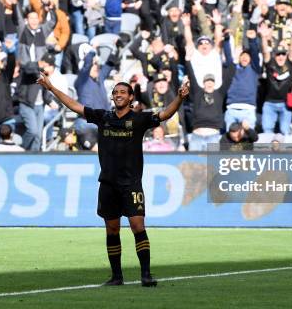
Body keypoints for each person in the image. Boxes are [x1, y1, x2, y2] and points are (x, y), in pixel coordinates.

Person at [37, 73, 190, 287]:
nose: (118, 95)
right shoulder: (103, 117)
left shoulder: (139, 119)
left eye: (122, 92)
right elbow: (75, 106)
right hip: (107, 184)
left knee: (137, 226)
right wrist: (51, 88)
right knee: (112, 229)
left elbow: (164, 115)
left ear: (131, 98)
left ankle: (146, 274)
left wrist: (180, 98)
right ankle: (116, 276)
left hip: (131, 184)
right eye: (115, 92)